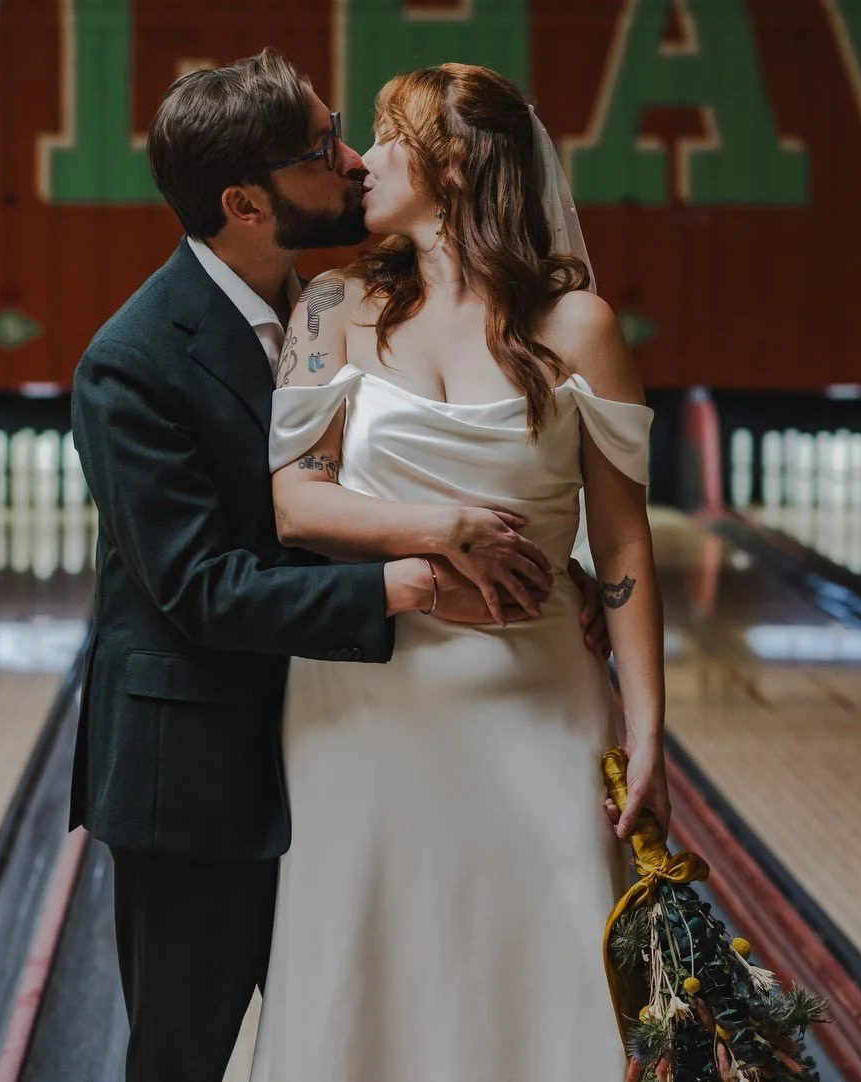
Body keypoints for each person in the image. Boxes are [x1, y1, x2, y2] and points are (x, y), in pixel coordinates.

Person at [69, 49, 597, 1082]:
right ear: (245, 202)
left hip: (353, 748)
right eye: (323, 149)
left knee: (361, 1040)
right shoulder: (129, 362)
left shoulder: (339, 308)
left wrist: (558, 562)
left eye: (347, 130)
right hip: (201, 780)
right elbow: (200, 586)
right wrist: (407, 578)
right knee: (180, 1059)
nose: (355, 161)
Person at [250, 62, 669, 1081]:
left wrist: (649, 721)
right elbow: (294, 500)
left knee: (549, 955)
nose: (362, 162)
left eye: (390, 138)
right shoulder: (333, 304)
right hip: (369, 693)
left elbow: (620, 541)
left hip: (535, 693)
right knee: (368, 958)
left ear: (455, 160)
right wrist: (438, 527)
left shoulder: (579, 329)